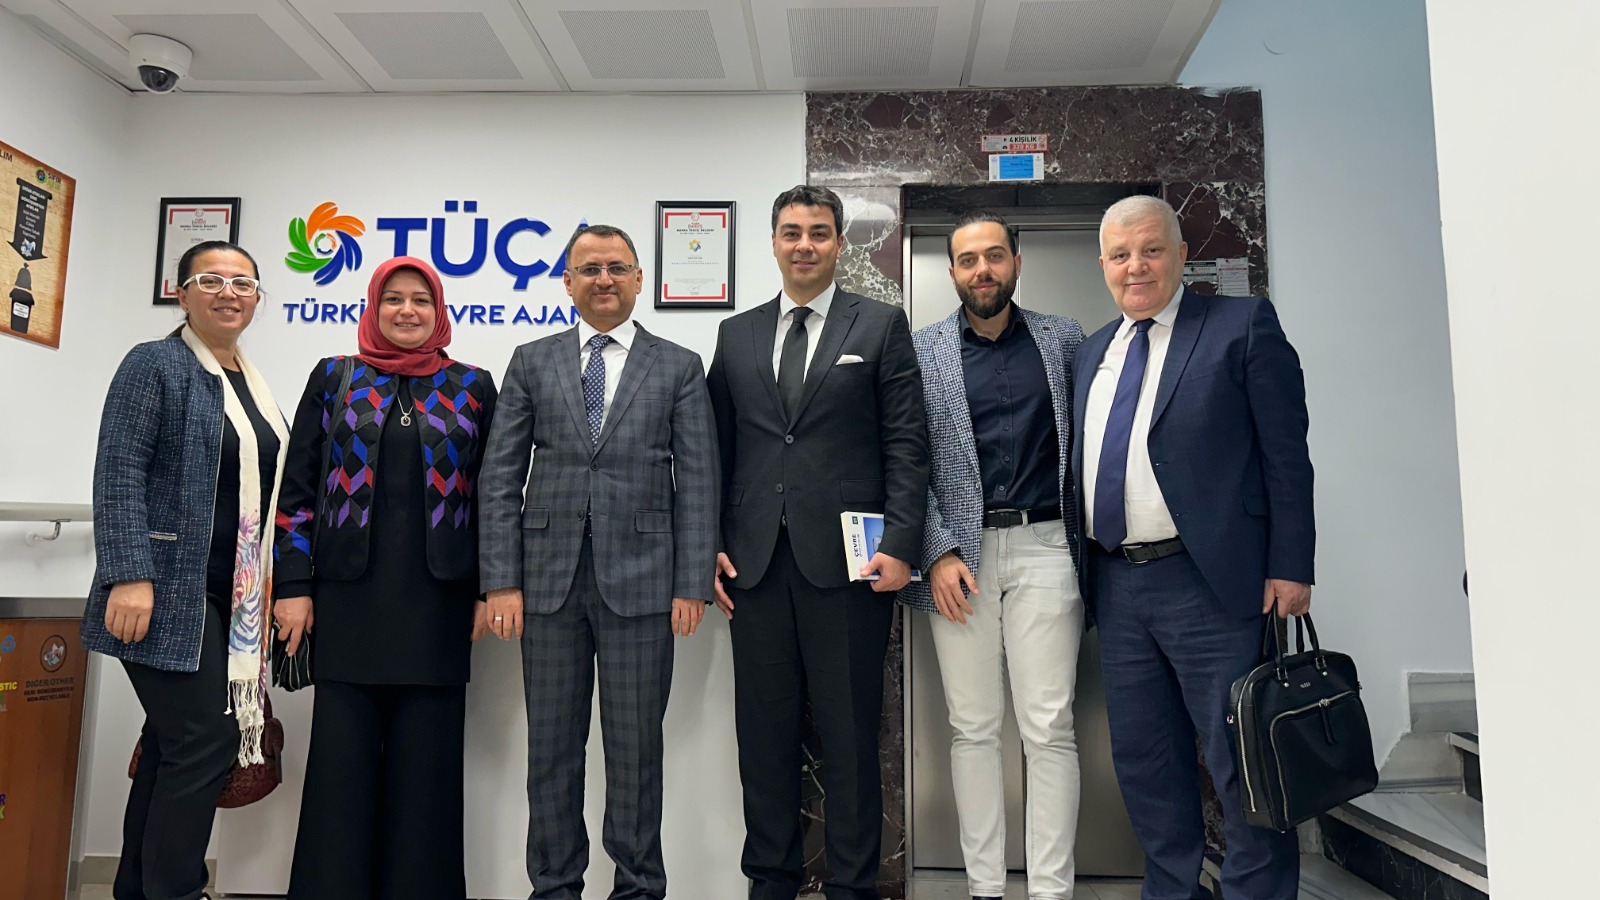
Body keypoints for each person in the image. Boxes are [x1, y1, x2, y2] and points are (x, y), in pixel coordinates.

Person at [1072, 195, 1314, 899]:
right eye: (1121, 255)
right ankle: (1173, 890)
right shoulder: (1092, 352)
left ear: (1180, 254)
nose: (1136, 266)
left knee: (1243, 760)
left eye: (1151, 249)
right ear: (1102, 264)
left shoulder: (1241, 325)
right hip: (1117, 587)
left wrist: (1291, 565)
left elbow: (1286, 456)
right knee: (1146, 762)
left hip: (1212, 583)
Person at [479, 224, 719, 900]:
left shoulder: (678, 365)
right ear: (568, 282)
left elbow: (699, 479)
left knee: (636, 751)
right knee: (551, 751)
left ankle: (638, 888)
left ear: (640, 279)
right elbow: (499, 476)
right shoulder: (532, 360)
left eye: (616, 267)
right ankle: (554, 887)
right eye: (589, 268)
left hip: (644, 583)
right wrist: (501, 580)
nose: (603, 279)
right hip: (545, 585)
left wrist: (691, 582)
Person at [707, 185, 929, 900]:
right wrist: (710, 543)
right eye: (792, 232)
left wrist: (902, 541)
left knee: (851, 735)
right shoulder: (736, 335)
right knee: (763, 737)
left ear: (838, 243)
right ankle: (770, 882)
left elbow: (906, 442)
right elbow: (715, 449)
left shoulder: (881, 324)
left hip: (852, 566)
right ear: (774, 241)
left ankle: (853, 887)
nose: (805, 244)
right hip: (754, 567)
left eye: (819, 232)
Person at [272, 256, 497, 900]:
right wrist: (293, 586)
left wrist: (489, 588)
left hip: (438, 605)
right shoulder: (335, 377)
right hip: (347, 602)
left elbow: (494, 496)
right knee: (340, 772)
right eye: (393, 298)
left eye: (420, 300)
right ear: (373, 306)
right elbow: (298, 492)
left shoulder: (473, 386)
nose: (407, 310)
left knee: (427, 774)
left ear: (438, 311)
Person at [82, 240, 287, 900]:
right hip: (165, 589)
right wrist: (128, 574)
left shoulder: (250, 382)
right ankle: (177, 890)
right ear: (181, 292)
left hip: (231, 596)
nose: (229, 293)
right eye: (211, 280)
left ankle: (138, 890)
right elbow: (119, 471)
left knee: (174, 745)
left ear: (257, 298)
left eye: (243, 284)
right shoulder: (155, 364)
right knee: (203, 741)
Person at [905, 211, 1085, 900]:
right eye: (968, 259)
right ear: (952, 271)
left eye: (994, 256)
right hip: (959, 557)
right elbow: (905, 461)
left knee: (1050, 728)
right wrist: (937, 550)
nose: (982, 270)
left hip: (1047, 548)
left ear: (1016, 260)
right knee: (973, 729)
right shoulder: (921, 350)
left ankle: (1051, 891)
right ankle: (985, 888)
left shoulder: (1064, 339)